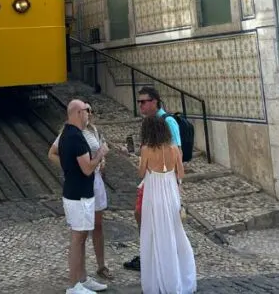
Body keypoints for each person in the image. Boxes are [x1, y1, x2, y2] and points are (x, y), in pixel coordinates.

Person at [49, 103, 112, 280]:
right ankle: (75, 283)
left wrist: (100, 161)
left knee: (91, 227)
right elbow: (53, 154)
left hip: (93, 181)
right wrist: (70, 167)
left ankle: (90, 273)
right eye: (86, 110)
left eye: (90, 110)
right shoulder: (72, 135)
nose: (90, 114)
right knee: (79, 234)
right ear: (78, 113)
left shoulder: (92, 131)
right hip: (81, 186)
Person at [138, 114, 196, 294]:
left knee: (155, 233)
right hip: (170, 192)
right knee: (175, 232)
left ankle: (157, 278)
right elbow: (181, 173)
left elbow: (141, 174)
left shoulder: (146, 149)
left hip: (154, 193)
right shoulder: (173, 149)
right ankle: (180, 277)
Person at [124, 86, 181, 272]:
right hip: (151, 179)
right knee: (142, 215)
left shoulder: (168, 121)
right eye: (139, 102)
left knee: (151, 216)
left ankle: (156, 254)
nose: (140, 105)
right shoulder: (149, 122)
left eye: (143, 101)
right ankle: (149, 252)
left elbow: (176, 152)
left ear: (155, 101)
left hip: (162, 181)